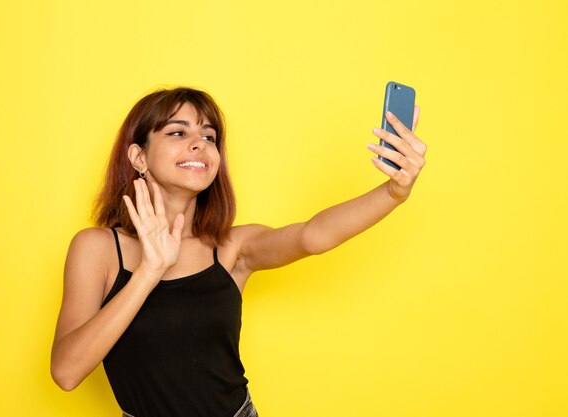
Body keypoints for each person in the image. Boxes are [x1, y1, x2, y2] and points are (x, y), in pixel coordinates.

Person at [50, 87, 427, 417]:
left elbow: (313, 236)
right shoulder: (97, 248)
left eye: (209, 136)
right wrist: (150, 270)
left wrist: (394, 192)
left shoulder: (231, 248)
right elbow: (67, 373)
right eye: (178, 132)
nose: (199, 144)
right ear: (138, 157)